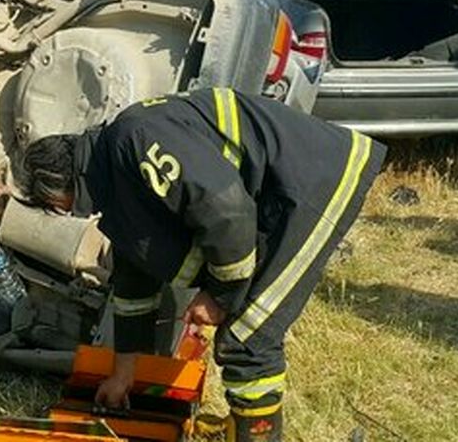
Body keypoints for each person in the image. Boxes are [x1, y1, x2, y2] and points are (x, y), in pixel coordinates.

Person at [19, 88, 386, 442]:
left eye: (58, 207)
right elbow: (134, 278)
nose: (68, 213)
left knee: (248, 338)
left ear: (56, 189)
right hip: (281, 190)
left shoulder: (135, 140)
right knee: (244, 331)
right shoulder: (114, 171)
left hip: (313, 182)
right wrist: (123, 374)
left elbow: (227, 214)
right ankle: (240, 427)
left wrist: (220, 297)